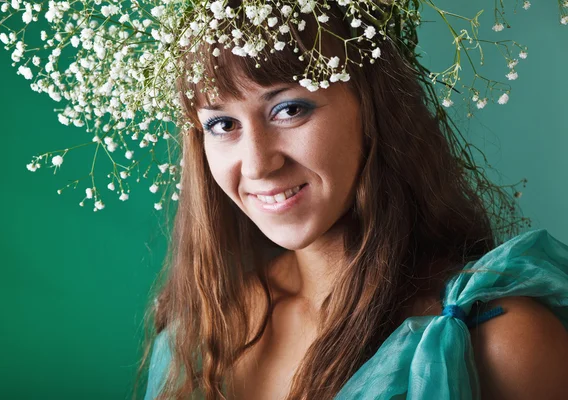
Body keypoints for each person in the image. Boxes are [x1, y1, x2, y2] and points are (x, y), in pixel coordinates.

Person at [140, 4, 568, 400]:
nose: (257, 165)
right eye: (222, 123)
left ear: (376, 108)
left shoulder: (496, 341)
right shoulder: (205, 330)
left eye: (289, 109)